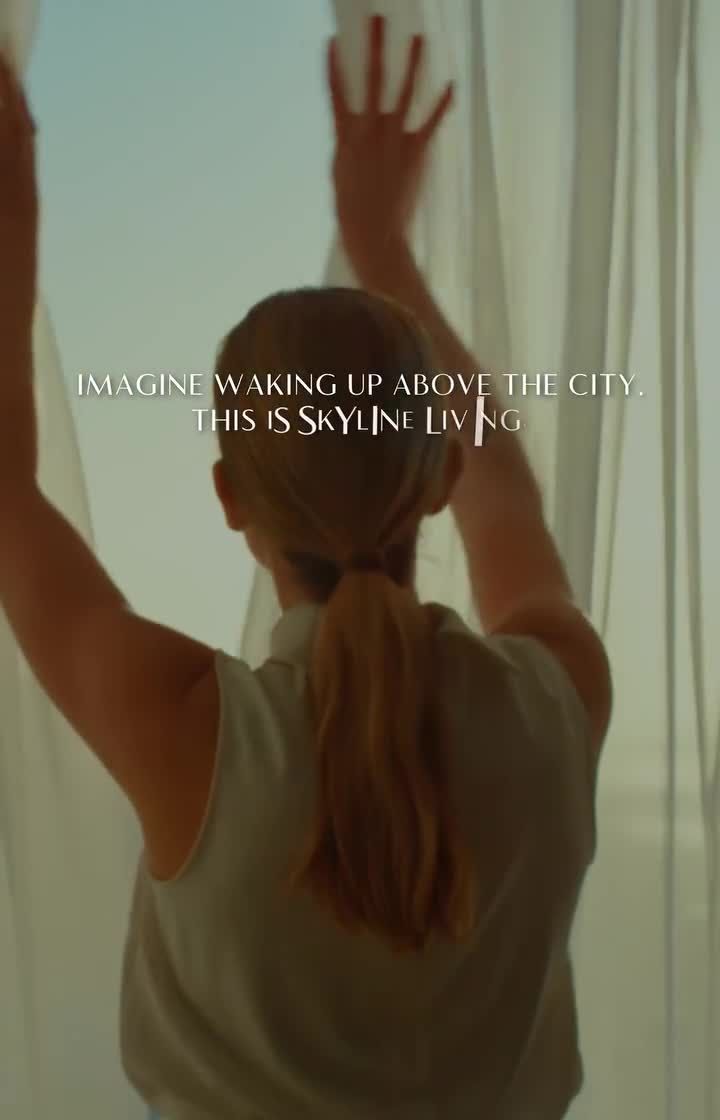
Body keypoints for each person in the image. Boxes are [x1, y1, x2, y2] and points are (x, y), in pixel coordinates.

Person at [0, 14, 611, 1120]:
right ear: (441, 470)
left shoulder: (184, 728)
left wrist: (12, 200)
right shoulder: (558, 700)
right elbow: (508, 496)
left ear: (231, 498)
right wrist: (384, 248)